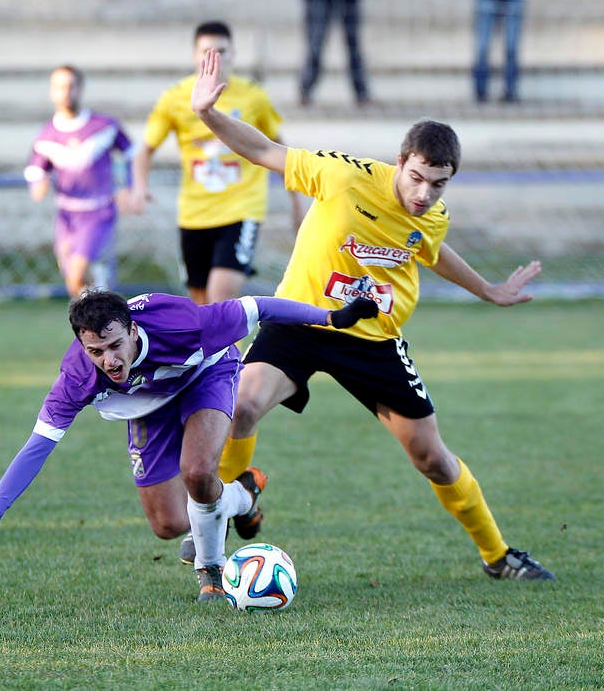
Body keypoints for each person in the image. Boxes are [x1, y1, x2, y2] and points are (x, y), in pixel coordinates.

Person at [186, 47, 556, 582]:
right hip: (300, 323)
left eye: (439, 184)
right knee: (241, 404)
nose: (425, 194)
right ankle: (227, 507)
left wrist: (488, 290)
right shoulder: (342, 176)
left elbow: (431, 249)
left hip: (374, 341)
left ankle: (498, 555)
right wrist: (209, 114)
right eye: (417, 178)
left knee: (432, 458)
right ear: (399, 162)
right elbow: (264, 149)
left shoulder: (432, 216)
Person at [0, 288, 377, 603]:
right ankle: (244, 496)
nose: (108, 359)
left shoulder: (180, 323)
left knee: (199, 473)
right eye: (94, 351)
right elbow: (38, 445)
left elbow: (260, 306)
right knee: (168, 525)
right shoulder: (77, 376)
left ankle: (211, 572)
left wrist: (331, 318)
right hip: (146, 407)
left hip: (205, 375)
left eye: (114, 345)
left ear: (132, 329)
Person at [129, 21, 302, 305]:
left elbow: (281, 151)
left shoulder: (253, 96)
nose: (214, 58)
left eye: (221, 50)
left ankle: (239, 351)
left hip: (241, 208)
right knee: (201, 306)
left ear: (233, 53)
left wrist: (296, 204)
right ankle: (221, 351)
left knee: (221, 296)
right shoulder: (175, 98)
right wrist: (138, 187)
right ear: (194, 55)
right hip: (194, 213)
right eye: (206, 51)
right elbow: (145, 149)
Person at [24, 65, 134, 297]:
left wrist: (127, 187)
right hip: (66, 216)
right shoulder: (47, 136)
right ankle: (102, 301)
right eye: (59, 87)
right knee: (76, 284)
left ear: (80, 89)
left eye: (70, 86)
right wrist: (38, 186)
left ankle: (95, 321)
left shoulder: (103, 127)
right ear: (51, 92)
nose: (65, 92)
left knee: (76, 274)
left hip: (98, 212)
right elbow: (36, 171)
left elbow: (132, 153)